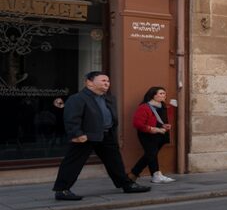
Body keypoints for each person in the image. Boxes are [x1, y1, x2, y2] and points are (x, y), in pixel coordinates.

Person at [51, 71, 152, 201]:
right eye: (103, 80)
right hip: (86, 136)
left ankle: (127, 185)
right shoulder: (78, 98)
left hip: (106, 134)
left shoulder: (108, 98)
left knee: (115, 161)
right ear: (89, 83)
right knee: (73, 162)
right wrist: (77, 134)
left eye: (108, 81)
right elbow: (71, 118)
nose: (107, 83)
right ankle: (61, 190)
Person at [130, 86, 176, 183]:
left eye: (165, 94)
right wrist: (153, 129)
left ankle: (156, 175)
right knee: (150, 154)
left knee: (152, 155)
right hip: (147, 135)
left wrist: (163, 125)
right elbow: (138, 124)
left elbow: (156, 121)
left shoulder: (162, 107)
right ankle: (133, 174)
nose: (164, 95)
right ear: (153, 95)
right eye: (161, 93)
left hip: (159, 135)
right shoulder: (144, 107)